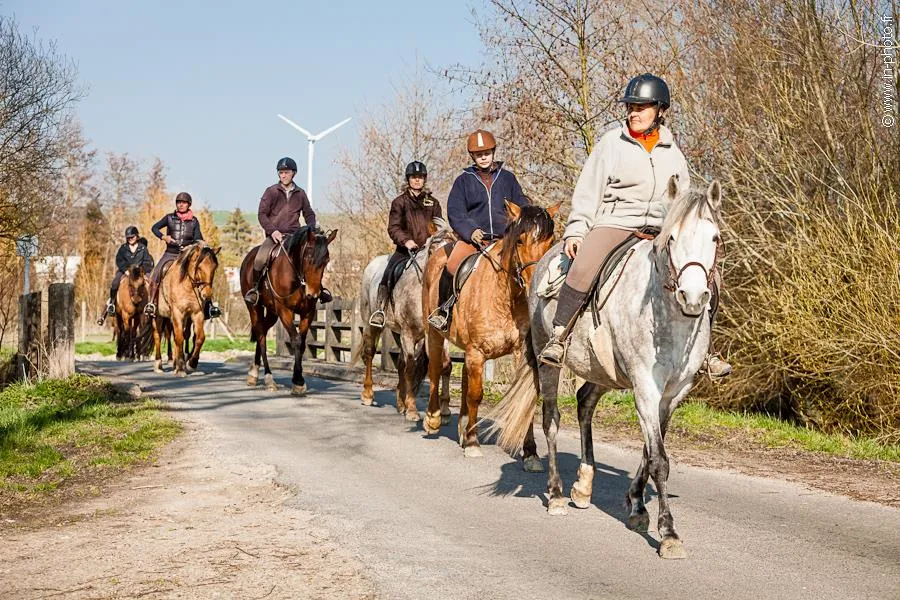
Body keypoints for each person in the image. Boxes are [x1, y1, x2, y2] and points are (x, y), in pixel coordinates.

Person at [537, 73, 731, 377]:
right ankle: (559, 336)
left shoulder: (674, 154)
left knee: (708, 274)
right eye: (631, 106)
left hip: (660, 229)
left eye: (642, 107)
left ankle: (704, 349)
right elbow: (588, 190)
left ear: (660, 111)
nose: (634, 112)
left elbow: (683, 204)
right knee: (585, 264)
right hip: (615, 222)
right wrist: (576, 230)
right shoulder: (611, 144)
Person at [426, 130, 529, 331]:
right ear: (472, 156)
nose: (483, 157)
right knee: (452, 265)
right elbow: (455, 212)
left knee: (527, 267)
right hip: (473, 241)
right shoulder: (463, 181)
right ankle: (443, 311)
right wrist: (470, 230)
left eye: (487, 153)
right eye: (479, 154)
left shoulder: (508, 179)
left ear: (493, 152)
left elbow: (521, 205)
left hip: (503, 240)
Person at [244, 156, 332, 305]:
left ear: (294, 173)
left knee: (311, 259)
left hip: (295, 236)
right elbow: (262, 214)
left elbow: (309, 213)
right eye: (280, 173)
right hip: (275, 237)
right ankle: (255, 290)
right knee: (259, 259)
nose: (283, 175)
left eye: (286, 172)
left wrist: (311, 228)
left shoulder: (301, 193)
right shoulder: (271, 192)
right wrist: (273, 231)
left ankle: (319, 289)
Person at [368, 161, 442, 328]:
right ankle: (380, 310)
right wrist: (406, 241)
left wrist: (435, 241)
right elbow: (393, 227)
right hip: (405, 250)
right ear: (408, 179)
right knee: (388, 273)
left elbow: (438, 225)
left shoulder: (433, 203)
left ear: (424, 179)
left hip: (428, 250)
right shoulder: (399, 202)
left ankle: (442, 311)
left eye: (420, 177)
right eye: (414, 177)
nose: (417, 181)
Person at [144, 192, 220, 319]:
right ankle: (151, 303)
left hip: (187, 255)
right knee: (156, 273)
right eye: (179, 202)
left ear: (189, 204)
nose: (181, 205)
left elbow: (198, 238)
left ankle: (209, 307)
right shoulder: (169, 218)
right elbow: (154, 228)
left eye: (184, 203)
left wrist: (195, 246)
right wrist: (164, 237)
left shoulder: (194, 221)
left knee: (204, 274)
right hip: (171, 253)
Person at [96, 226, 155, 325]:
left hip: (140, 272)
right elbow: (119, 260)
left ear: (137, 236)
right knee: (115, 283)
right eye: (128, 237)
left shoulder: (143, 248)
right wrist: (125, 270)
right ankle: (112, 304)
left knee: (152, 283)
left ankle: (151, 304)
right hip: (125, 271)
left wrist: (143, 272)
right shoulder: (123, 248)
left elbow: (147, 261)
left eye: (132, 237)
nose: (130, 239)